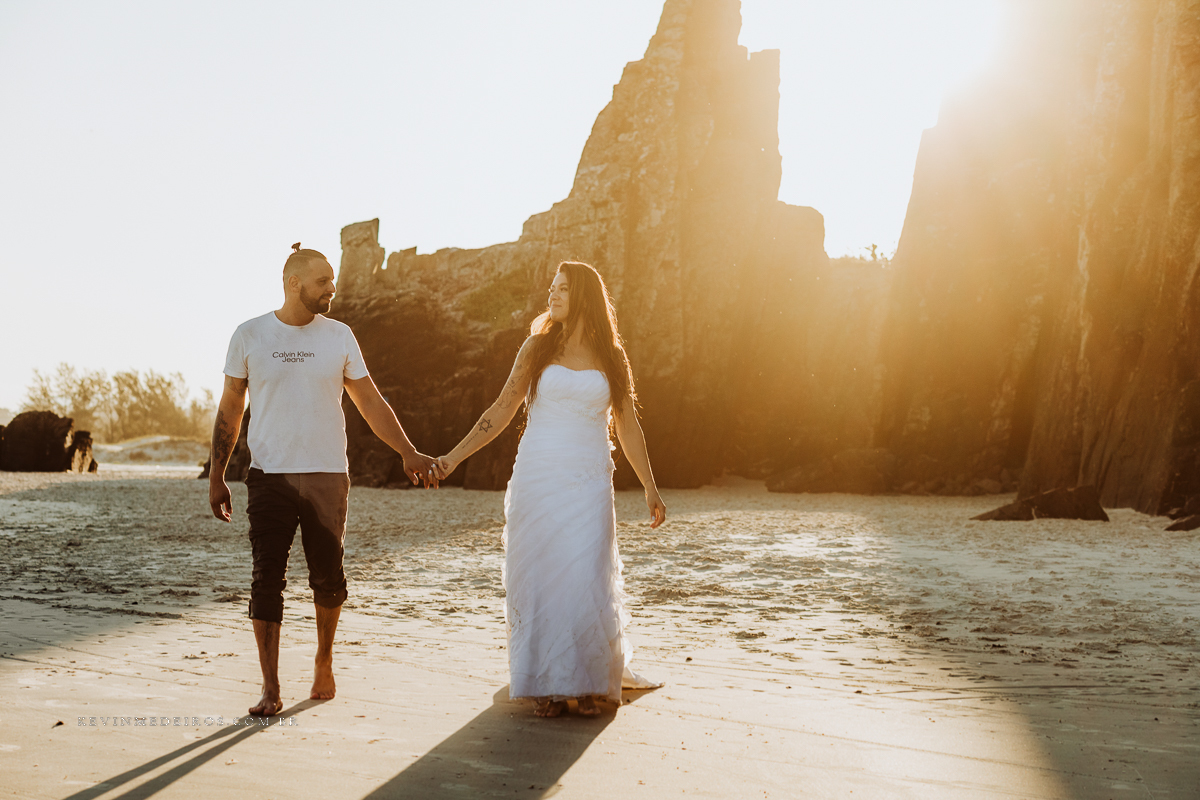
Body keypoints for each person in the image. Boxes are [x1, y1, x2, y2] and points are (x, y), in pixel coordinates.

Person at [208, 242, 438, 717]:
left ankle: (323, 659)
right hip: (268, 476)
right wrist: (217, 474)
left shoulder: (340, 336)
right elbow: (230, 408)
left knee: (328, 579)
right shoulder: (249, 335)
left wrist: (407, 451)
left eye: (332, 280)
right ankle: (270, 687)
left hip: (328, 475)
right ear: (294, 283)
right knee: (265, 579)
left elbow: (370, 401)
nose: (332, 288)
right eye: (323, 281)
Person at [434, 261, 666, 718]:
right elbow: (501, 409)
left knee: (587, 573)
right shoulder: (537, 348)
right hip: (539, 475)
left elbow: (628, 424)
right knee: (543, 574)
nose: (552, 295)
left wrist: (650, 488)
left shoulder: (613, 357)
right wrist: (453, 458)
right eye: (551, 288)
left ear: (582, 296)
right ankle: (548, 684)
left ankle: (587, 680)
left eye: (562, 289)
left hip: (590, 479)